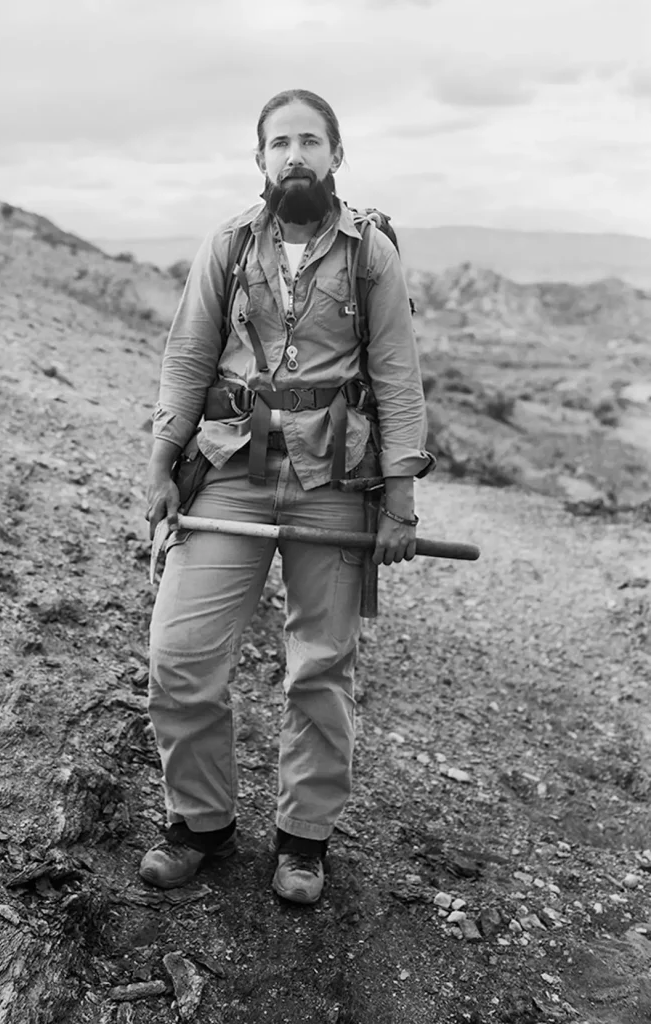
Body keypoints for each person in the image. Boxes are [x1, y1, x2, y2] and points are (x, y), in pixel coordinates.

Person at [140, 89, 435, 905]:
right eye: (280, 143)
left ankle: (304, 841)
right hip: (230, 471)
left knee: (320, 669)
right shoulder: (228, 244)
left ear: (337, 155)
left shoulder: (371, 253)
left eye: (310, 141)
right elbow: (188, 354)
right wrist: (162, 465)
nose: (294, 155)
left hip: (335, 482)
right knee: (180, 657)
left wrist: (402, 503)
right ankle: (200, 823)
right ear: (260, 158)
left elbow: (399, 378)